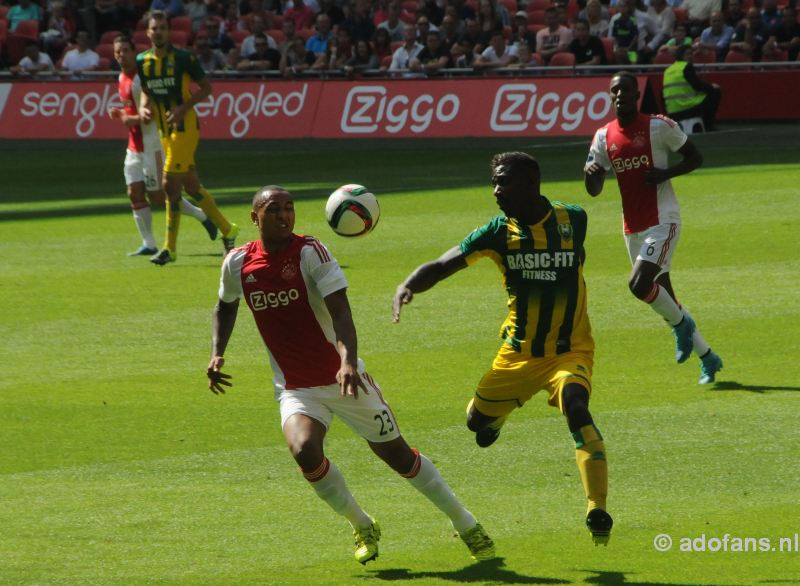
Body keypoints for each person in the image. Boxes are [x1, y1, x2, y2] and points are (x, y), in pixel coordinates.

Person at [207, 185, 496, 565]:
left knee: (398, 457)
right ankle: (361, 524)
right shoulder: (237, 262)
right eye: (274, 209)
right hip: (296, 389)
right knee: (304, 451)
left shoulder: (311, 252)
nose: (284, 216)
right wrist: (217, 354)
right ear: (254, 217)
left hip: (346, 380)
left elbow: (341, 312)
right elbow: (225, 306)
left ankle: (465, 521)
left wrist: (347, 362)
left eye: (289, 209)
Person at [392, 151, 613, 547]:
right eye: (493, 181)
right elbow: (444, 264)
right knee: (476, 423)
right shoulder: (497, 232)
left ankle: (596, 507)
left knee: (577, 405)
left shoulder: (573, 219)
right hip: (517, 354)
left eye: (503, 182)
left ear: (531, 183)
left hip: (569, 351)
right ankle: (496, 419)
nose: (495, 190)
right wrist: (408, 285)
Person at [584, 72, 723, 385]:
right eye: (614, 90)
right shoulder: (603, 136)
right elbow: (593, 188)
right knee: (665, 298)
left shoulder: (659, 126)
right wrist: (592, 173)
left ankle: (682, 328)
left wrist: (666, 173)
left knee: (638, 285)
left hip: (663, 220)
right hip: (631, 226)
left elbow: (695, 156)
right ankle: (708, 358)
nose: (619, 95)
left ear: (636, 94)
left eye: (625, 89)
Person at [138, 10, 239, 265]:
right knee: (191, 187)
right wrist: (143, 107)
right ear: (148, 32)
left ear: (168, 31)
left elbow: (206, 88)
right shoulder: (143, 61)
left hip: (185, 128)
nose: (158, 31)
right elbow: (147, 91)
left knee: (169, 186)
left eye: (162, 27)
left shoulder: (183, 59)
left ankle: (169, 249)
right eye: (154, 28)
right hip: (164, 131)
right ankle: (228, 230)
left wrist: (183, 107)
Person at [109, 35, 217, 256]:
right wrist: (125, 117)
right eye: (118, 51)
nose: (122, 55)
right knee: (134, 193)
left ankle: (201, 215)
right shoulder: (121, 77)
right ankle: (148, 243)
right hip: (134, 146)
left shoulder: (142, 80)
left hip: (152, 144)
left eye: (126, 51)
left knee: (159, 197)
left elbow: (146, 117)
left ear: (133, 52)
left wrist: (123, 117)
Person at [663, 45, 721, 130]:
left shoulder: (668, 70)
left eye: (691, 53)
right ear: (680, 55)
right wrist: (712, 86)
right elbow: (698, 86)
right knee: (715, 91)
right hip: (687, 109)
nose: (690, 56)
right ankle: (708, 125)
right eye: (687, 54)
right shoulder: (686, 66)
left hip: (671, 113)